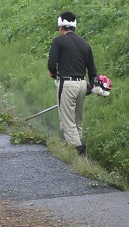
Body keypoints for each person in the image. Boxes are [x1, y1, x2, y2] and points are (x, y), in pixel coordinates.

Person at [47, 11, 98, 155]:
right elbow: (93, 72)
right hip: (82, 84)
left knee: (67, 122)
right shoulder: (85, 44)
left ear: (61, 26)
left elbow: (51, 64)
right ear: (74, 27)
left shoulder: (58, 41)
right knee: (77, 121)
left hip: (67, 84)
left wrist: (54, 73)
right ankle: (76, 150)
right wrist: (91, 85)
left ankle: (79, 150)